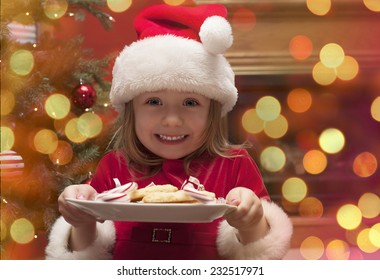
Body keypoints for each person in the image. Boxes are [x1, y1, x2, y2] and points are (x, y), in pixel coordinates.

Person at [45, 4, 292, 260]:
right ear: (132, 110)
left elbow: (261, 259)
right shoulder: (114, 167)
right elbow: (86, 258)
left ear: (212, 110)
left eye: (190, 103)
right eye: (153, 102)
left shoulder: (234, 166)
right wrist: (81, 219)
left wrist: (251, 222)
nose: (172, 120)